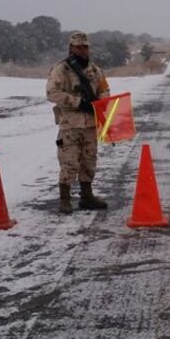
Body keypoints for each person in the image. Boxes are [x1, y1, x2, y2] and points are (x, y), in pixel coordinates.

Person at [46, 31, 111, 214]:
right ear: (71, 47)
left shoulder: (95, 70)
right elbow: (52, 93)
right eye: (78, 46)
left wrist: (99, 103)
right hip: (70, 124)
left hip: (90, 124)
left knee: (89, 161)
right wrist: (78, 102)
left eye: (85, 46)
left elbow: (105, 89)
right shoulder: (61, 69)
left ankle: (87, 196)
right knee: (69, 163)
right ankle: (65, 199)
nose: (82, 50)